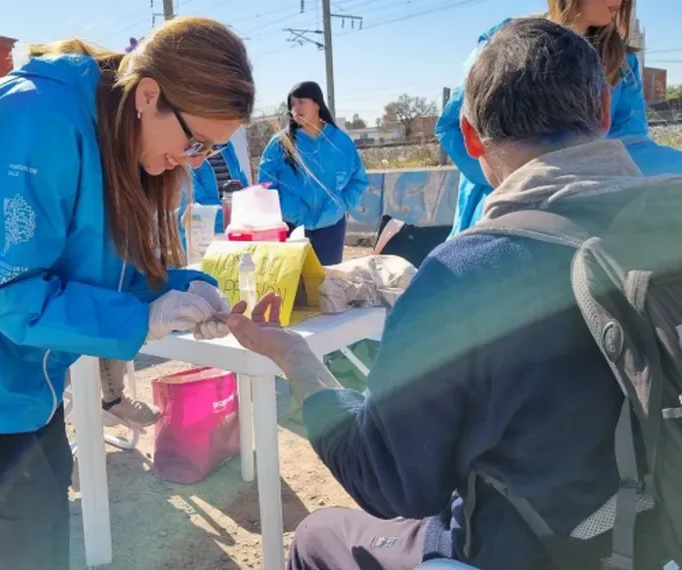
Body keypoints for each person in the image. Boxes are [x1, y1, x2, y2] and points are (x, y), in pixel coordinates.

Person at [220, 18, 667, 570]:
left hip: (525, 551)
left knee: (317, 535)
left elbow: (386, 481)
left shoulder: (467, 274)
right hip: (660, 535)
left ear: (472, 136)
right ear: (604, 112)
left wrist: (294, 354)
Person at [0, 17, 253, 570]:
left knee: (48, 485)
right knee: (31, 502)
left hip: (18, 339)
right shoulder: (37, 119)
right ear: (149, 95)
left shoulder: (114, 121)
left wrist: (184, 287)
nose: (192, 161)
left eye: (209, 152)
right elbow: (11, 292)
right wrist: (144, 320)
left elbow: (99, 261)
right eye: (194, 142)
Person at [436, 0, 682, 238]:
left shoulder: (622, 63)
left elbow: (634, 142)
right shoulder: (508, 43)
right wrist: (521, 177)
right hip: (504, 208)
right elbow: (453, 127)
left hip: (584, 210)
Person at [258, 81, 368, 265]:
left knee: (329, 284)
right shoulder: (280, 143)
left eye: (301, 102)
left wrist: (340, 205)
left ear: (317, 104)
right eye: (292, 104)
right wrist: (287, 210)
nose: (296, 108)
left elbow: (358, 180)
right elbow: (266, 186)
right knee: (294, 286)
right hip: (291, 227)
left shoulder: (340, 141)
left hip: (331, 227)